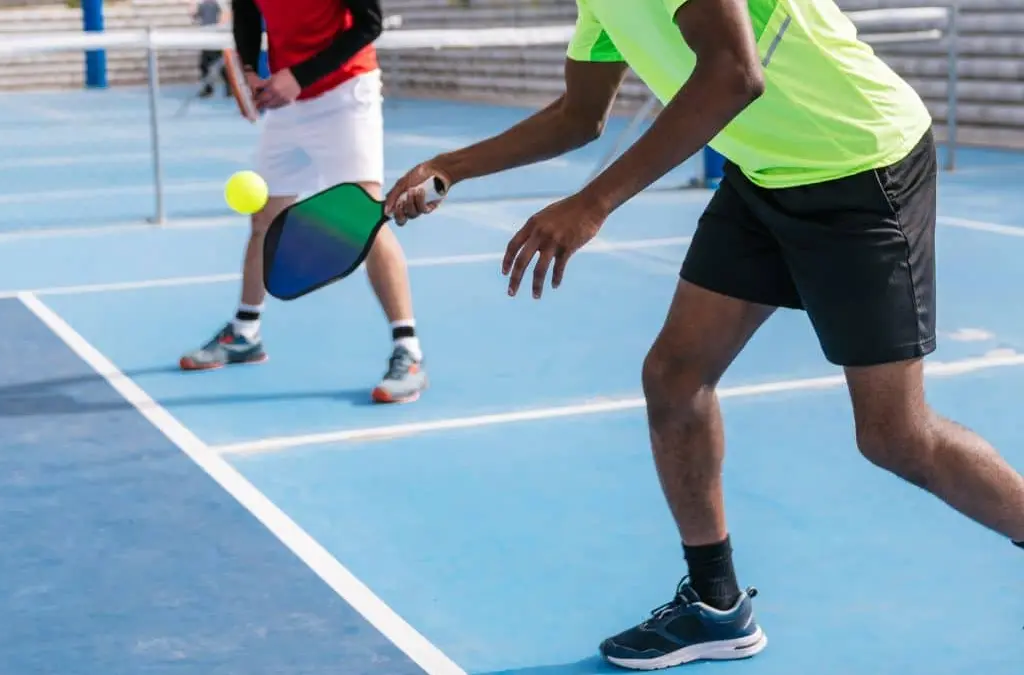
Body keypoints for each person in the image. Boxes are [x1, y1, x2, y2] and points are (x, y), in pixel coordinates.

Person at [387, 0, 1024, 669]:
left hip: (859, 167)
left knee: (895, 435)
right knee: (674, 378)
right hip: (766, 174)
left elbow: (732, 74)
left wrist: (592, 203)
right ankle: (716, 604)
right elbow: (580, 114)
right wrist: (450, 166)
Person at [180, 0, 429, 405]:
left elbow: (369, 24)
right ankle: (245, 333)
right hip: (287, 104)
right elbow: (247, 13)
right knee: (264, 218)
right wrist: (250, 71)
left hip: (346, 92)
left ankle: (409, 351)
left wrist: (298, 77)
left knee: (364, 215)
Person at [191, 0, 227, 98]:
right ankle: (209, 88)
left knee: (218, 64)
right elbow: (194, 17)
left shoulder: (218, 4)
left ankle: (228, 87)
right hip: (206, 38)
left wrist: (219, 28)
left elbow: (225, 16)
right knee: (205, 64)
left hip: (215, 38)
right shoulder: (202, 4)